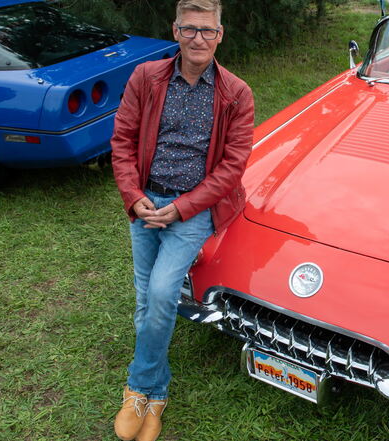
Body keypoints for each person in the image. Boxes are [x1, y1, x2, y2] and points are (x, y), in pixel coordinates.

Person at [110, 0, 254, 439]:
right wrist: (135, 198)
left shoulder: (236, 93)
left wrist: (185, 206)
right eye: (189, 29)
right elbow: (122, 140)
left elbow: (232, 166)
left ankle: (138, 386)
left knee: (159, 293)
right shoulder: (146, 78)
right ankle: (156, 396)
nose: (198, 39)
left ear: (220, 35)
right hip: (146, 204)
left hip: (194, 209)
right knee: (145, 300)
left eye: (207, 31)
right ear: (175, 31)